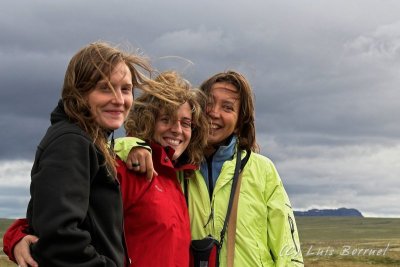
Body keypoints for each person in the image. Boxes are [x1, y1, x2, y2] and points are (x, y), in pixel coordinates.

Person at [3, 71, 209, 267]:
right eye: (166, 119)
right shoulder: (127, 168)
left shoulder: (184, 179)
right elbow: (59, 214)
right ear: (148, 120)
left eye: (186, 123)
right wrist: (17, 236)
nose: (177, 130)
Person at [117, 71, 304, 266]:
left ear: (240, 122)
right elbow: (123, 147)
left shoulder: (262, 170)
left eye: (228, 107)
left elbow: (287, 247)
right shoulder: (175, 167)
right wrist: (130, 145)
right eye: (209, 103)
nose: (214, 112)